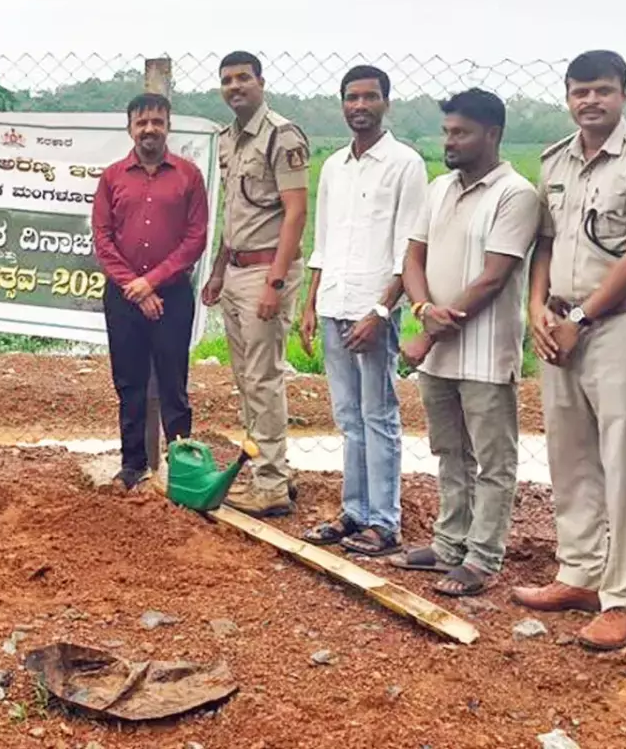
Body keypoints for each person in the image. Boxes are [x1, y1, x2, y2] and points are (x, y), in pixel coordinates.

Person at [513, 50, 626, 652]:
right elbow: (545, 242)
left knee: (623, 459)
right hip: (558, 323)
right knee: (569, 452)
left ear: (624, 95)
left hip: (617, 326)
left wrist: (582, 318)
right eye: (581, 91)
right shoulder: (555, 159)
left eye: (603, 91)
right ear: (567, 96)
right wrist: (538, 307)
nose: (591, 101)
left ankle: (620, 598)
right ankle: (578, 572)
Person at [388, 89, 539, 596]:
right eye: (447, 131)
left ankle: (483, 557)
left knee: (493, 460)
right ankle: (450, 544)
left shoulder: (516, 194)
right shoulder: (439, 189)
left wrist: (425, 334)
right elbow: (413, 258)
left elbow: (494, 277)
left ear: (492, 134)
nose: (450, 141)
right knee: (450, 452)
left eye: (461, 133)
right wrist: (420, 308)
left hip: (486, 354)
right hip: (439, 352)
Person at [299, 65, 426, 554]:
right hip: (334, 303)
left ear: (385, 103)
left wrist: (381, 310)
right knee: (348, 416)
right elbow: (324, 242)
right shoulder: (333, 166)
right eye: (352, 98)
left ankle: (385, 522)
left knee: (379, 415)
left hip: (374, 311)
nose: (360, 106)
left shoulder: (405, 164)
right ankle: (353, 513)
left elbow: (408, 250)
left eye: (369, 97)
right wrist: (310, 302)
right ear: (342, 104)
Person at [202, 51, 310, 518]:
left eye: (243, 78)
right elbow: (234, 213)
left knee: (264, 379)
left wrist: (276, 281)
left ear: (261, 82)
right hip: (238, 271)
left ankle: (269, 486)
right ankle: (272, 468)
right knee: (246, 379)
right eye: (227, 80)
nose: (235, 86)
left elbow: (296, 211)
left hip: (267, 272)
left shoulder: (281, 136)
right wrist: (220, 269)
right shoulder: (229, 141)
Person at [91, 93, 209, 489]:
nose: (149, 129)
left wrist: (153, 282)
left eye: (157, 121)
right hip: (124, 298)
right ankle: (132, 465)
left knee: (174, 382)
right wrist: (136, 288)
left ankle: (181, 468)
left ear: (168, 126)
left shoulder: (189, 176)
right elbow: (103, 239)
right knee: (130, 382)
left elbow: (195, 239)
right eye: (141, 123)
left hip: (171, 297)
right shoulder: (112, 177)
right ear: (129, 128)